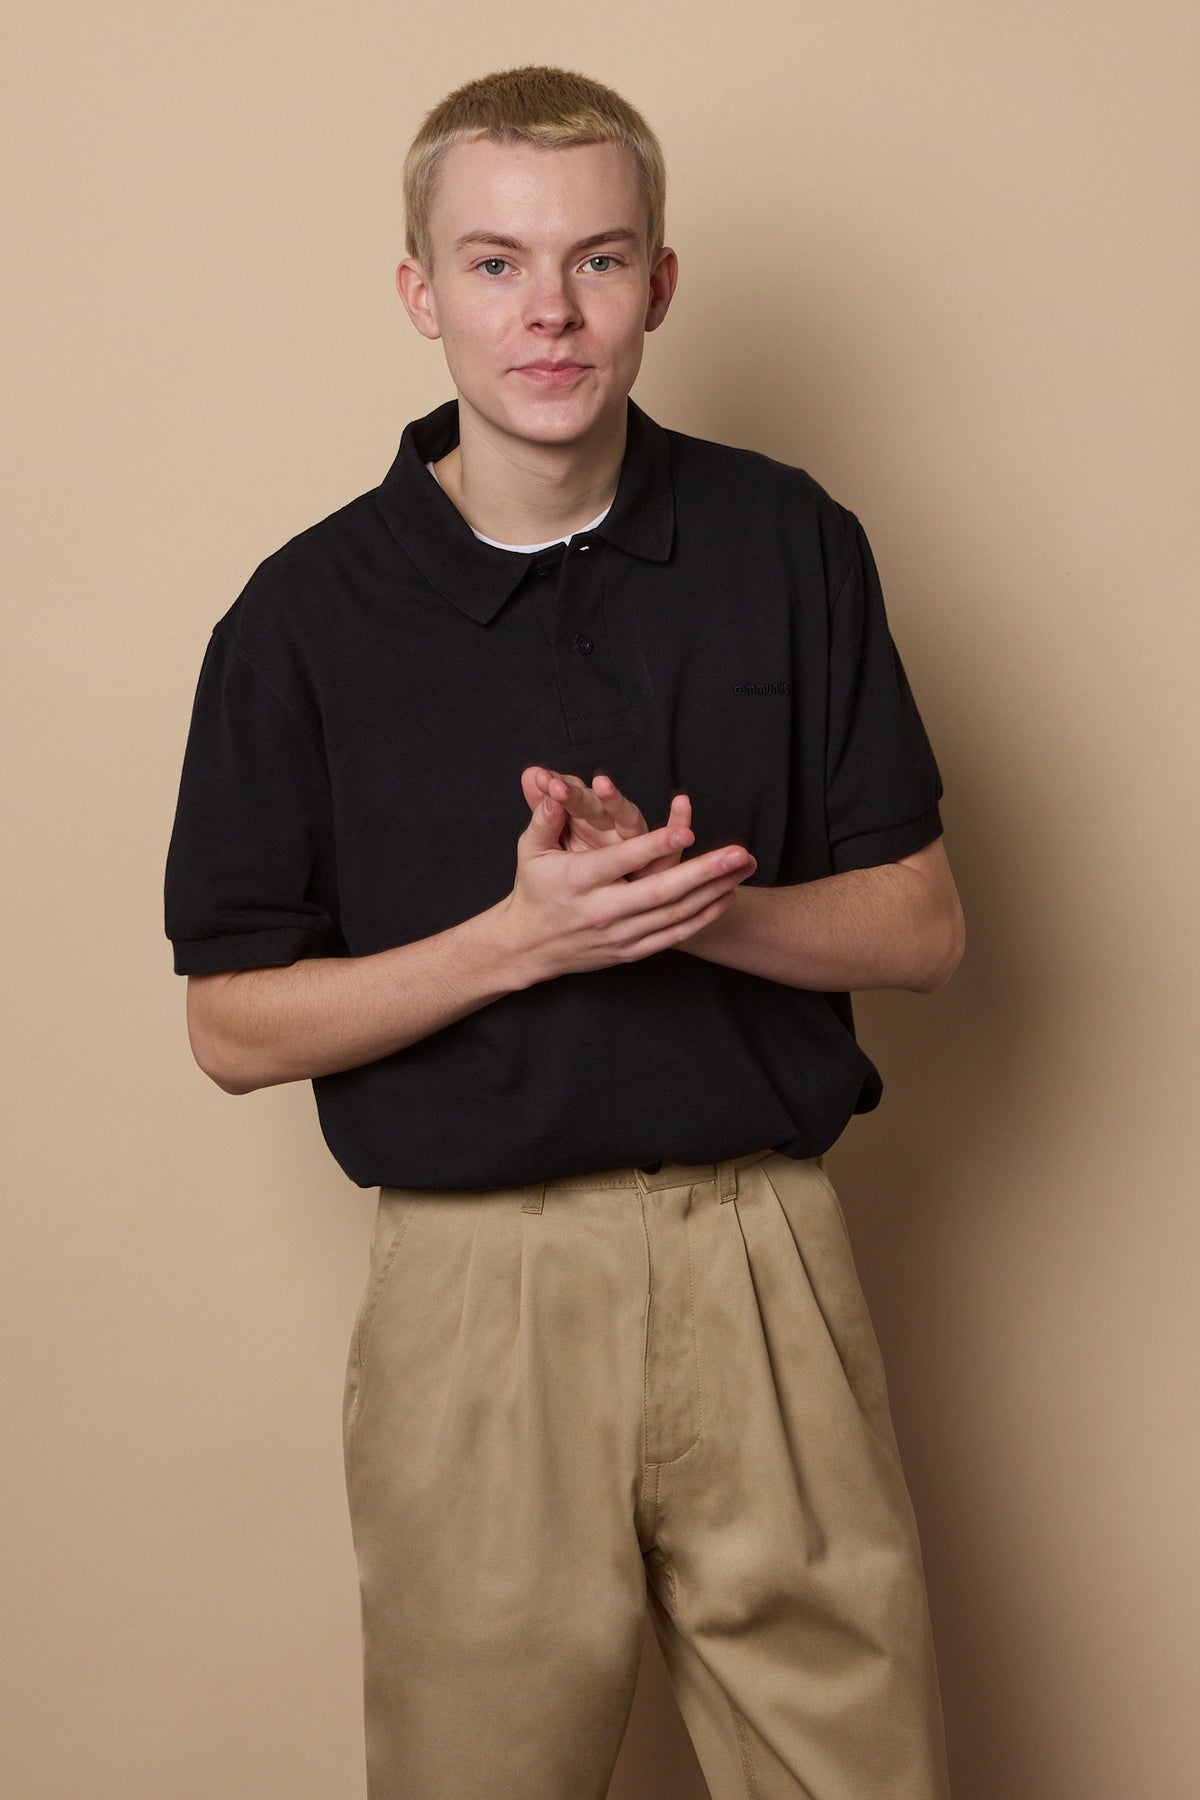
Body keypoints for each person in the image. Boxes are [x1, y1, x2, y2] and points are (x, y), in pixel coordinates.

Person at [165, 63, 963, 1800]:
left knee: (865, 1772)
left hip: (766, 1253)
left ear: (660, 287)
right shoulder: (302, 619)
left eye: (599, 261)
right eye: (497, 262)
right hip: (476, 1287)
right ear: (417, 291)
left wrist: (694, 912)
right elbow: (228, 1024)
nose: (549, 311)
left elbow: (921, 927)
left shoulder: (789, 543)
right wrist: (523, 939)